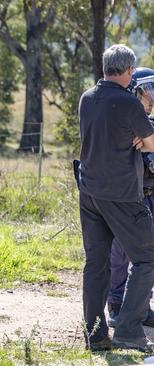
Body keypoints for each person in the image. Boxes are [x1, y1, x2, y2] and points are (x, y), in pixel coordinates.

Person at [77, 44, 154, 352]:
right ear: (128, 71)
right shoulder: (128, 103)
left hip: (90, 193)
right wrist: (142, 130)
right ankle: (128, 329)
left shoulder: (87, 98)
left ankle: (95, 335)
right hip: (121, 195)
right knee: (148, 257)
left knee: (96, 264)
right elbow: (150, 144)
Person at [107, 67, 154, 329]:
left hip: (150, 197)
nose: (151, 97)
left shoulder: (149, 125)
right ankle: (115, 303)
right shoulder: (124, 122)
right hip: (127, 197)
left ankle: (141, 306)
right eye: (147, 91)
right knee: (119, 253)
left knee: (147, 257)